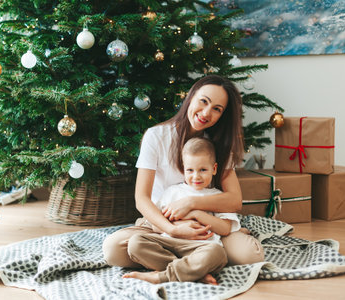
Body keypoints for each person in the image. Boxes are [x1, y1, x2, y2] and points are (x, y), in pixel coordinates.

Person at [102, 75, 264, 272]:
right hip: (162, 225)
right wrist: (173, 229)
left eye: (217, 109)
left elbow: (234, 200)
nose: (206, 113)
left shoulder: (218, 146)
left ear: (222, 115)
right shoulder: (156, 136)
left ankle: (177, 262)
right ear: (191, 96)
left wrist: (191, 204)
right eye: (204, 101)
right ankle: (195, 267)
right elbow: (141, 198)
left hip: (207, 227)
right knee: (113, 250)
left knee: (251, 257)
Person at [122, 137, 241, 284]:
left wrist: (196, 213)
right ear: (183, 169)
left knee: (217, 254)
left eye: (203, 170)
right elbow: (155, 226)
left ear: (214, 169)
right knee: (136, 243)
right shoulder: (172, 192)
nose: (196, 176)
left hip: (200, 247)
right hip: (169, 244)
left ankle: (162, 276)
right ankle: (195, 273)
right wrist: (176, 228)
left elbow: (225, 228)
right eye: (190, 170)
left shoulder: (217, 196)